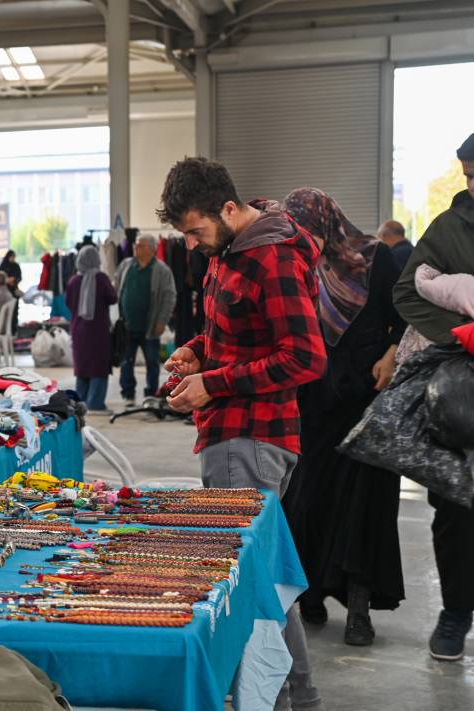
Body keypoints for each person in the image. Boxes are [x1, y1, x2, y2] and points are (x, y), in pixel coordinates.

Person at [158, 157, 326, 710]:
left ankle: (275, 699)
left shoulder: (270, 257)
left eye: (195, 231)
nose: (190, 245)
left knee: (250, 586)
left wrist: (214, 383)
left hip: (250, 438)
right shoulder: (229, 250)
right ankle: (297, 696)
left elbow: (305, 357)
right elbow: (235, 335)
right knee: (265, 579)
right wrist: (196, 352)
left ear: (228, 209)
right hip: (236, 436)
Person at [280, 188, 405, 647]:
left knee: (363, 506)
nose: (302, 239)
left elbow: (406, 313)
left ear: (326, 222)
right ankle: (311, 594)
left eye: (307, 230)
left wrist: (392, 353)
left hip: (367, 398)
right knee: (308, 499)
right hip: (314, 401)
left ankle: (358, 608)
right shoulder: (295, 263)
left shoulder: (375, 258)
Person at [392, 131, 474, 662]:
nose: (473, 184)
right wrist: (460, 333)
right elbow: (406, 292)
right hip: (463, 390)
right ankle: (455, 613)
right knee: (454, 504)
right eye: (469, 175)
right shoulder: (449, 227)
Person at [114, 233, 177, 407]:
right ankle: (128, 394)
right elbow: (117, 286)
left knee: (152, 362)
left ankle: (151, 395)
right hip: (127, 325)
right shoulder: (126, 265)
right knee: (126, 361)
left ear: (151, 249)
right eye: (136, 245)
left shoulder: (162, 270)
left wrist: (162, 320)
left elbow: (170, 296)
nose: (136, 248)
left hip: (150, 326)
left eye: (140, 245)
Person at [64, 245, 117, 412]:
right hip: (98, 331)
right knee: (98, 367)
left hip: (78, 330)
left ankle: (81, 402)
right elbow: (112, 298)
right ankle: (95, 403)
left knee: (83, 367)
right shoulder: (101, 279)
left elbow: (68, 303)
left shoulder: (73, 281)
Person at [0, 249, 22, 326]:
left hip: (14, 291)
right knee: (5, 311)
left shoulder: (16, 266)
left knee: (14, 311)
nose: (12, 258)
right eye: (11, 257)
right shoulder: (3, 266)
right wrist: (7, 280)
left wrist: (14, 280)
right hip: (5, 292)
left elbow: (19, 277)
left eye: (13, 257)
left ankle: (14, 327)